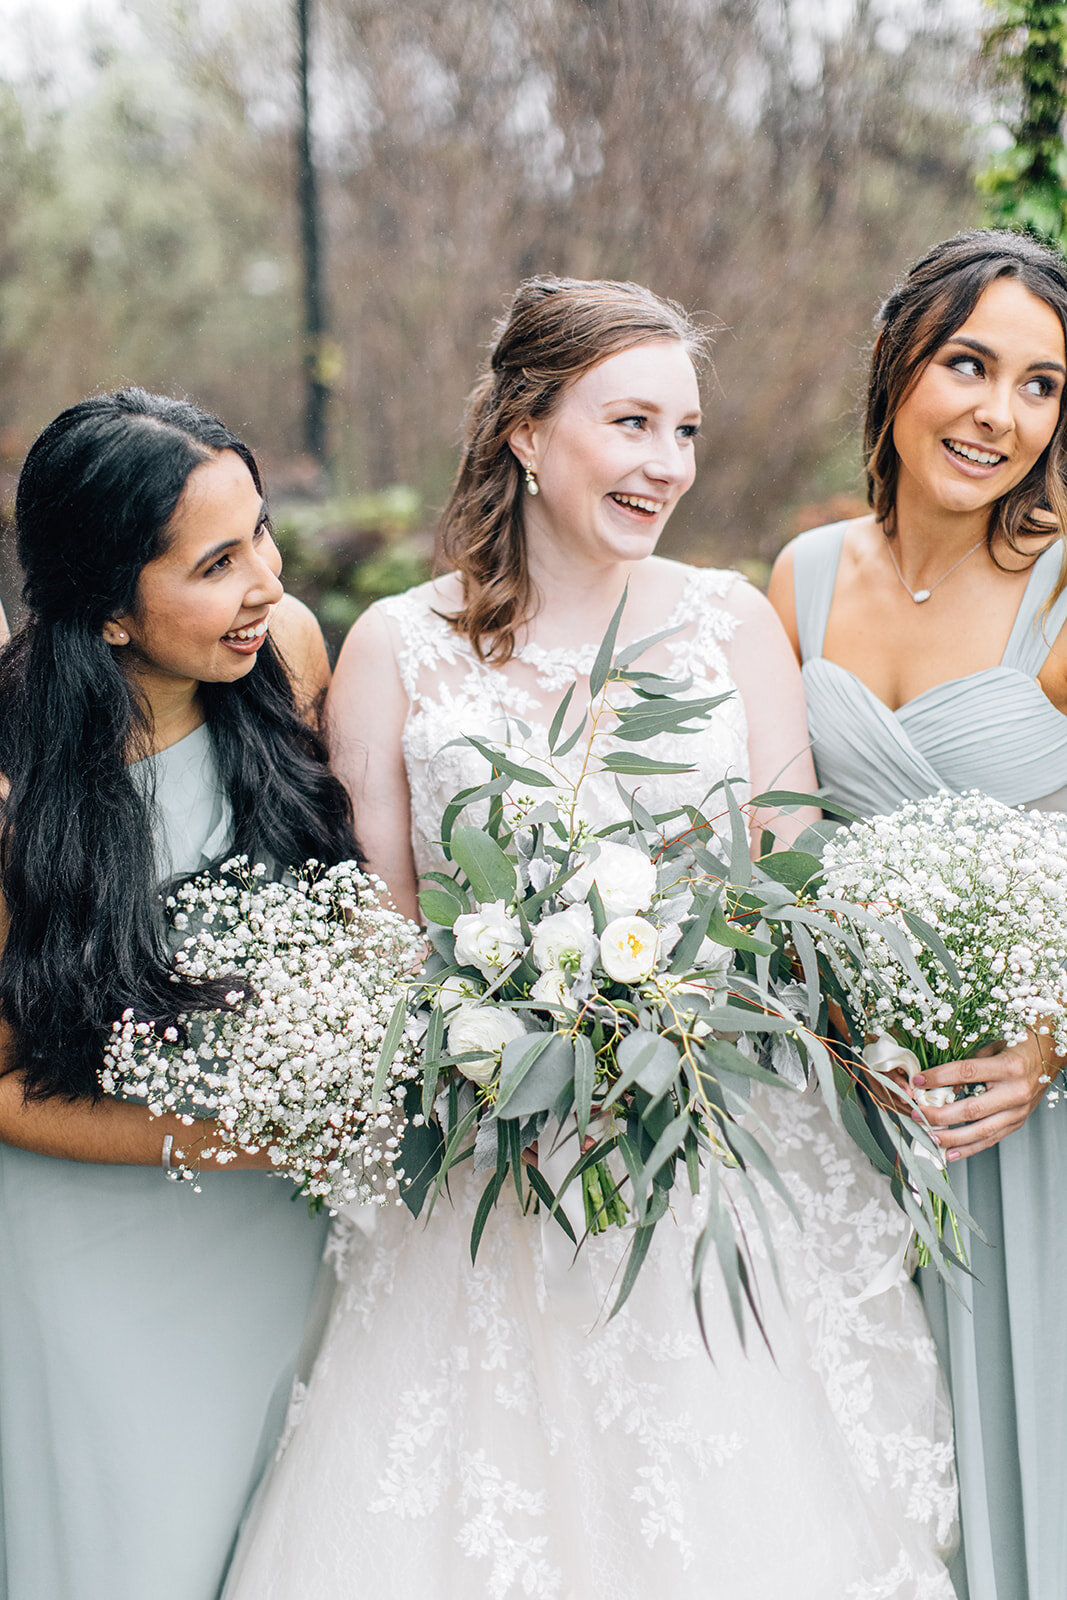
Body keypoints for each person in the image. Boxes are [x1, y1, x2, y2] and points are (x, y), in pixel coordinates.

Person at [224, 278, 957, 1600]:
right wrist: (504, 1042)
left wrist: (669, 1028)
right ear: (521, 428)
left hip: (703, 1177)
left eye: (683, 432)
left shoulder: (731, 624)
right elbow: (382, 933)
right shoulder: (398, 648)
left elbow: (785, 885)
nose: (664, 465)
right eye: (629, 423)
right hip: (489, 1185)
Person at [0, 389, 360, 1600]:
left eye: (260, 534)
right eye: (216, 563)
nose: (264, 580)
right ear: (107, 609)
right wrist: (241, 1135)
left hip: (285, 1238)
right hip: (94, 1251)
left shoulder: (288, 654)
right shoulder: (15, 778)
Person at [768, 229, 1067, 1600]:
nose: (997, 414)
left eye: (1039, 384)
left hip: (1018, 1109)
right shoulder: (804, 575)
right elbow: (766, 843)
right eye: (967, 363)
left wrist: (1044, 1047)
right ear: (897, 360)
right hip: (838, 1102)